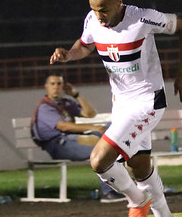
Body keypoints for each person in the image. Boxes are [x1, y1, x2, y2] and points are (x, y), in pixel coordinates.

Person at [49, 0, 182, 217]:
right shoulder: (93, 20)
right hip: (122, 105)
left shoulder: (143, 19)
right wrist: (68, 54)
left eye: (104, 9)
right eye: (94, 9)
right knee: (140, 167)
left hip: (148, 102)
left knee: (99, 159)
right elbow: (85, 45)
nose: (99, 16)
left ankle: (137, 201)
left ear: (119, 2)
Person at [30, 72, 123, 201]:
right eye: (52, 84)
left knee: (111, 127)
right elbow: (63, 126)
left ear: (64, 86)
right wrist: (94, 127)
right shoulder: (45, 107)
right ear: (46, 86)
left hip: (72, 140)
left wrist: (76, 94)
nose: (56, 87)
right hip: (59, 145)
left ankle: (124, 165)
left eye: (59, 84)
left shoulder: (65, 103)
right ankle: (109, 192)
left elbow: (90, 113)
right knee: (101, 154)